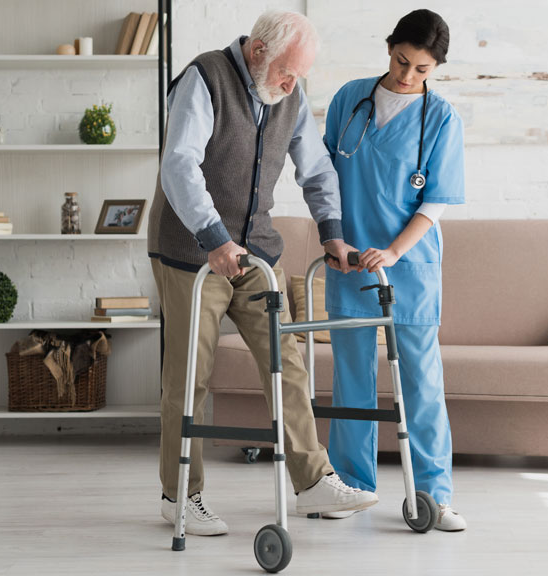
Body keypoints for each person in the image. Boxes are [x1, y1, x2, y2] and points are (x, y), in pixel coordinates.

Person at [147, 10, 375, 537]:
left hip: (254, 252)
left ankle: (313, 480)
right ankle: (181, 495)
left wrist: (332, 232)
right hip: (191, 249)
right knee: (189, 376)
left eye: (299, 76)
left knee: (286, 361)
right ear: (256, 54)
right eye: (287, 73)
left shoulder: (288, 96)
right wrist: (213, 238)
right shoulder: (204, 78)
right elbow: (179, 163)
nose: (293, 84)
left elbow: (315, 167)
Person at [321, 9, 467, 531]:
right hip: (350, 262)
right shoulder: (349, 99)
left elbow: (436, 202)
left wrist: (397, 252)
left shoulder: (442, 117)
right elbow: (324, 179)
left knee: (422, 386)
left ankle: (434, 495)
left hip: (410, 268)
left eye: (422, 70)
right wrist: (331, 236)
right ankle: (351, 487)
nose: (408, 77)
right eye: (402, 61)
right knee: (352, 382)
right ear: (389, 49)